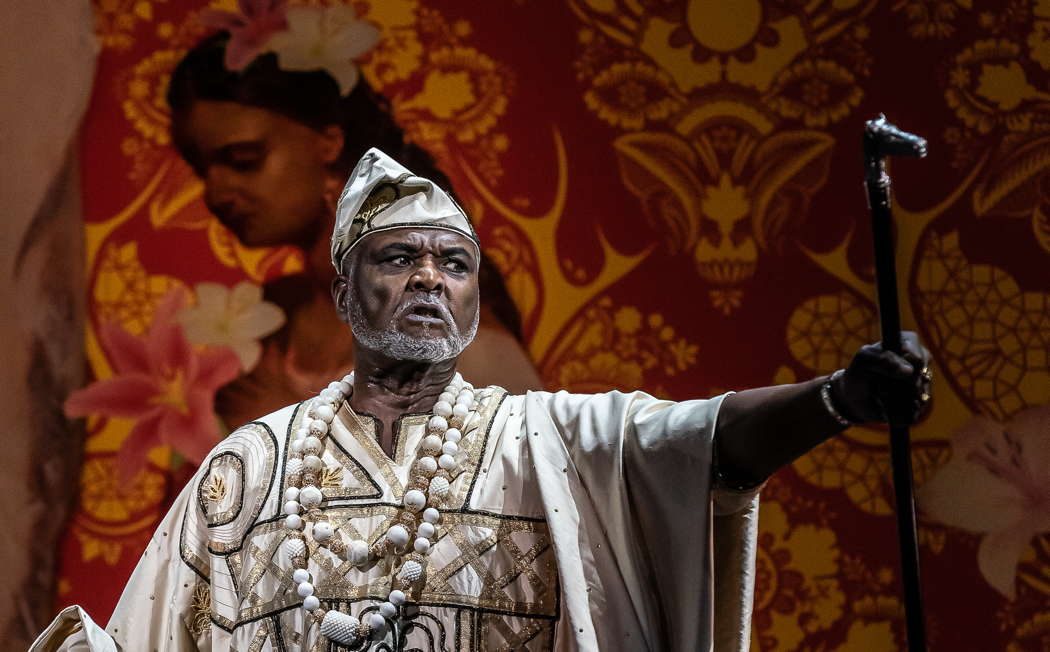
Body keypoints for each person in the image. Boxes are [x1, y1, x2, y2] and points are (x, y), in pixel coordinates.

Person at [34, 149, 931, 652]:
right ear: (346, 294)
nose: (430, 275)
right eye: (397, 258)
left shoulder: (546, 440)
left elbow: (702, 444)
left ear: (472, 297)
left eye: (453, 262)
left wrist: (839, 398)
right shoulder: (249, 468)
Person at [166, 26, 542, 428]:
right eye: (201, 169)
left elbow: (513, 481)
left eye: (243, 159)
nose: (215, 192)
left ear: (329, 142)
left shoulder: (440, 324)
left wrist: (287, 432)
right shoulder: (274, 313)